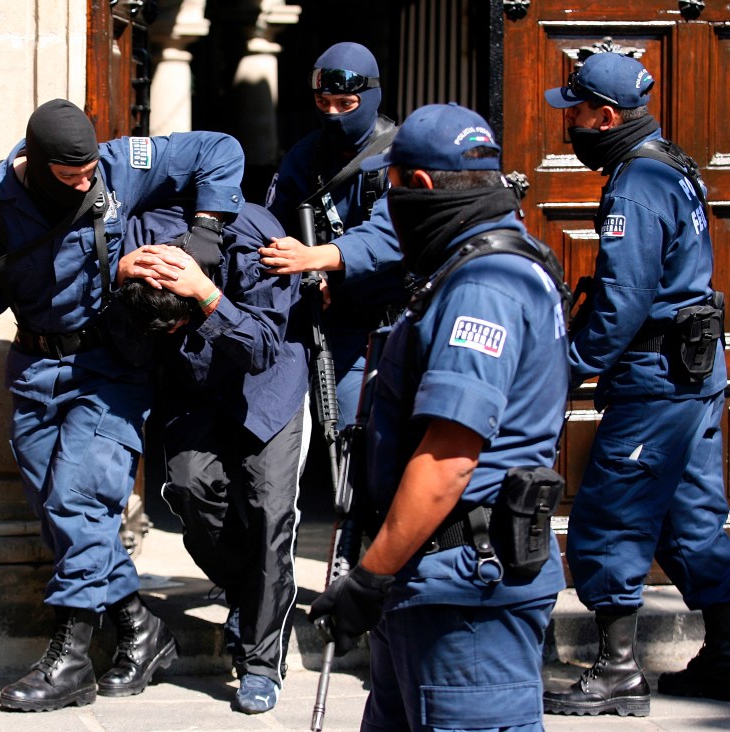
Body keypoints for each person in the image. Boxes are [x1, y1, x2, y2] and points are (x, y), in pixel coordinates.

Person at [0, 98, 245, 712]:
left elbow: (221, 149)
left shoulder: (117, 164)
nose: (85, 181)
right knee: (62, 516)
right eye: (70, 175)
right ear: (35, 158)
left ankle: (71, 656)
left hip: (111, 365)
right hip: (34, 370)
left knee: (76, 499)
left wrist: (205, 235)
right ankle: (141, 626)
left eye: (88, 171)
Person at [307, 103, 570, 731]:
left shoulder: (485, 284)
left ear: (418, 187)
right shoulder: (480, 265)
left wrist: (367, 580)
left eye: (389, 184)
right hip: (429, 579)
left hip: (466, 592)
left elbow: (449, 459)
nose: (387, 199)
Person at [542, 52, 730, 715]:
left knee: (609, 520)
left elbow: (623, 299)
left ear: (606, 115)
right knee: (694, 522)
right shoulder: (673, 164)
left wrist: (566, 368)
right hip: (694, 375)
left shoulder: (636, 183)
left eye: (578, 114)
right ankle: (729, 654)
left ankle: (617, 669)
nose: (573, 127)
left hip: (656, 382)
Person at [116, 202, 310, 714]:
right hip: (194, 389)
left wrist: (206, 296)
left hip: (266, 388)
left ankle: (261, 664)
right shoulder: (145, 227)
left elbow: (263, 346)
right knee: (188, 490)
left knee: (269, 511)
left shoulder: (254, 236)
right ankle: (249, 594)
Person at [261, 41, 404, 431]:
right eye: (324, 104)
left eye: (346, 104)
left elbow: (390, 235)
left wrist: (317, 258)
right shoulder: (304, 156)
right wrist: (305, 274)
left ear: (370, 97)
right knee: (347, 434)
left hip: (403, 321)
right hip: (339, 323)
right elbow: (275, 225)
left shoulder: (400, 155)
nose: (334, 115)